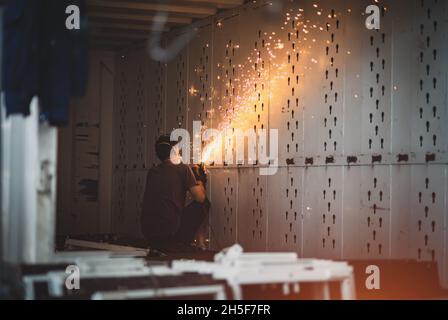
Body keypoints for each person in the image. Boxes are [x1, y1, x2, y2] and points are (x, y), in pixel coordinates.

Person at [141, 135, 210, 252]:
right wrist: (199, 178)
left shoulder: (152, 172)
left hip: (149, 233)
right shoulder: (182, 168)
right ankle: (181, 243)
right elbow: (200, 198)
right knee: (205, 204)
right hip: (169, 234)